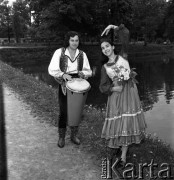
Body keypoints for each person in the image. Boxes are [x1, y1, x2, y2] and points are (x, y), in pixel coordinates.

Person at [99, 35, 147, 166]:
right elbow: (102, 86)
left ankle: (123, 156)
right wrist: (114, 88)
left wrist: (114, 27)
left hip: (130, 93)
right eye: (103, 48)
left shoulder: (123, 56)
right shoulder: (105, 67)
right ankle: (119, 146)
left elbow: (125, 35)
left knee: (126, 121)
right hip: (116, 95)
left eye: (107, 46)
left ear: (113, 46)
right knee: (118, 121)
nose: (105, 49)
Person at [48, 31, 92, 148]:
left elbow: (89, 71)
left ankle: (73, 135)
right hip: (64, 83)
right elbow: (52, 69)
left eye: (76, 40)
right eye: (72, 40)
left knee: (76, 111)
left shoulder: (82, 54)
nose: (74, 43)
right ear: (68, 40)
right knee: (63, 111)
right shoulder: (60, 52)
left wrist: (84, 74)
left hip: (78, 83)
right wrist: (63, 75)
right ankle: (61, 137)